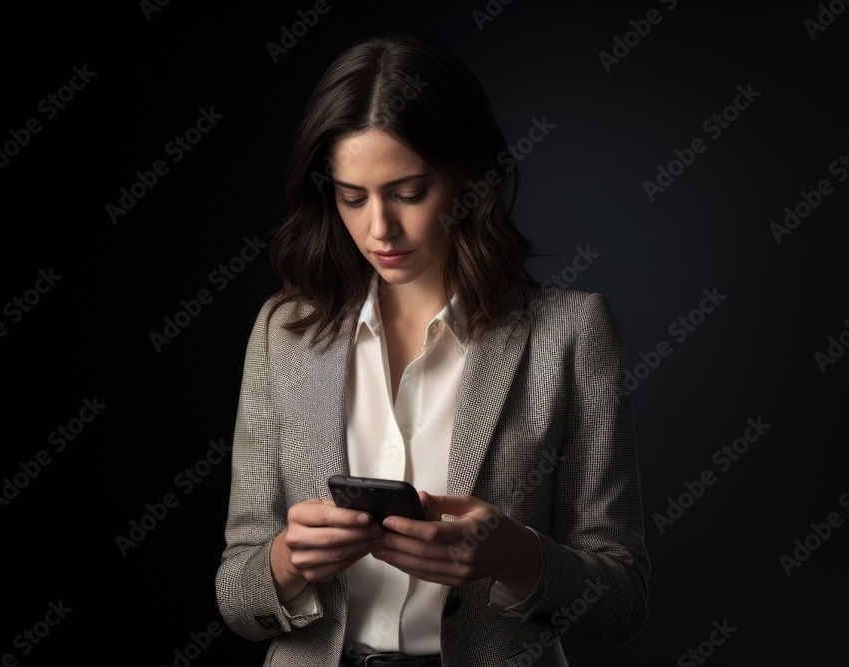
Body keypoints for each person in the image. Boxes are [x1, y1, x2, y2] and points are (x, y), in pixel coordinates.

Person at [215, 31, 650, 667]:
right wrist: (284, 562)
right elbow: (234, 593)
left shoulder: (570, 332)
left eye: (409, 192)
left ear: (469, 180)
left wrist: (517, 557)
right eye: (351, 197)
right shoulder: (284, 332)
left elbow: (623, 602)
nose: (378, 228)